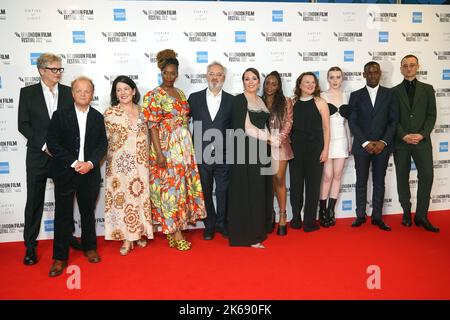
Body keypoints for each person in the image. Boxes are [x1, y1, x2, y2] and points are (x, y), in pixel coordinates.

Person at [18, 53, 81, 266]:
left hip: (63, 157)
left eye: (60, 69)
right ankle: (30, 246)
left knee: (65, 200)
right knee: (34, 201)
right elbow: (23, 125)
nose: (58, 73)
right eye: (54, 69)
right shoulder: (27, 93)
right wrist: (45, 146)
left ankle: (68, 235)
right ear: (42, 70)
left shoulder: (67, 92)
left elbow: (74, 121)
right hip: (37, 155)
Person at [142, 49, 206, 251]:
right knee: (170, 190)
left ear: (177, 74)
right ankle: (176, 232)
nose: (169, 77)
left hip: (184, 147)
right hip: (166, 147)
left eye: (173, 73)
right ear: (161, 72)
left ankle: (172, 230)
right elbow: (152, 126)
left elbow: (185, 120)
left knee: (181, 189)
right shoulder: (153, 95)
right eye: (166, 73)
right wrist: (159, 153)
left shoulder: (180, 93)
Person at [46, 76, 107, 277]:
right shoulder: (60, 115)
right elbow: (53, 143)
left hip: (89, 174)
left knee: (88, 212)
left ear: (92, 93)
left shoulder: (98, 117)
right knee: (62, 215)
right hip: (65, 171)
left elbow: (102, 145)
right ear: (72, 94)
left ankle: (90, 247)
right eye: (79, 91)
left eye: (87, 91)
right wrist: (74, 163)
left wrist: (89, 164)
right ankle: (60, 257)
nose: (83, 94)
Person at [228, 68, 280, 248]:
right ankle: (248, 235)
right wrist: (270, 138)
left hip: (261, 151)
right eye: (247, 79)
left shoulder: (260, 100)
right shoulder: (239, 100)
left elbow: (264, 125)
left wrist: (272, 140)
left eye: (254, 78)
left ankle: (258, 230)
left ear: (259, 82)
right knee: (248, 191)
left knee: (259, 191)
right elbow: (246, 127)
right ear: (243, 81)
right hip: (245, 151)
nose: (251, 82)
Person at [104, 76, 154, 255]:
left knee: (140, 198)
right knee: (123, 199)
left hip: (141, 163)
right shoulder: (110, 113)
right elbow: (102, 141)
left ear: (133, 91)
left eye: (126, 89)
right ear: (115, 94)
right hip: (119, 166)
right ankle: (126, 238)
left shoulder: (144, 112)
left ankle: (139, 232)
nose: (123, 93)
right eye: (119, 90)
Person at [348, 61, 398, 231]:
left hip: (382, 147)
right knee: (361, 182)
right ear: (363, 74)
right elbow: (352, 122)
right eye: (368, 72)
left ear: (380, 74)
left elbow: (393, 121)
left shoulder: (390, 94)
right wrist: (365, 142)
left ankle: (377, 217)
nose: (372, 75)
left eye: (375, 72)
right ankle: (360, 215)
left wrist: (382, 142)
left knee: (379, 182)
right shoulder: (355, 95)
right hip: (362, 146)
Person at [393, 55, 439, 232]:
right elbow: (393, 118)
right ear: (401, 69)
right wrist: (403, 135)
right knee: (402, 177)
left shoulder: (427, 89)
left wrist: (421, 134)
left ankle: (421, 215)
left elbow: (431, 115)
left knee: (427, 176)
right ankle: (406, 213)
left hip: (422, 142)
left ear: (418, 66)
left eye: (412, 65)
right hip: (401, 142)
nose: (409, 68)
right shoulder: (394, 91)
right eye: (405, 66)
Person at [188, 62, 233, 240]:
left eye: (219, 74)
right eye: (212, 74)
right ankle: (210, 224)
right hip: (201, 153)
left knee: (223, 191)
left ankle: (222, 223)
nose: (215, 77)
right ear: (206, 76)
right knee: (205, 190)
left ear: (224, 77)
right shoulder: (194, 98)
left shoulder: (232, 100)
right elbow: (180, 122)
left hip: (225, 155)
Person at [289, 72, 330, 232]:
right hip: (296, 150)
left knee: (313, 187)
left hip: (315, 150)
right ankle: (296, 219)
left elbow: (326, 128)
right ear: (299, 85)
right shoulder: (292, 102)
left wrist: (326, 149)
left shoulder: (321, 103)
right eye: (306, 82)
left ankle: (309, 221)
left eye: (313, 82)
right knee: (296, 186)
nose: (310, 85)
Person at [319, 67, 352, 227]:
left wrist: (350, 141)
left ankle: (331, 211)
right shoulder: (322, 96)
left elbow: (346, 123)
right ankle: (322, 210)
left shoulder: (347, 96)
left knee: (338, 175)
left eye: (338, 77)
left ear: (342, 78)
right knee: (327, 176)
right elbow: (321, 124)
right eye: (332, 77)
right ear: (328, 78)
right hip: (328, 141)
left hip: (342, 141)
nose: (335, 80)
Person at [261, 71, 293, 236]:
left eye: (274, 83)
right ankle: (268, 214)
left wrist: (278, 139)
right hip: (261, 146)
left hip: (280, 145)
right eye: (267, 83)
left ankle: (282, 215)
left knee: (279, 178)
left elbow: (289, 122)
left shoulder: (286, 101)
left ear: (279, 85)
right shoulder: (258, 101)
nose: (270, 86)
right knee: (265, 182)